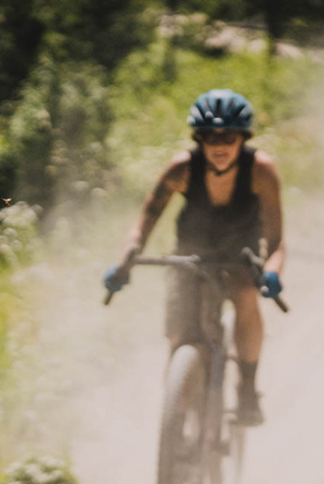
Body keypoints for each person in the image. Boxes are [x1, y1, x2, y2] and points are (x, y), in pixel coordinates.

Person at [104, 88, 285, 426]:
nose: (218, 145)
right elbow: (143, 224)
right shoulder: (181, 169)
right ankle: (179, 425)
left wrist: (272, 272)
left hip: (240, 255)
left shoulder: (262, 171)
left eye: (228, 135)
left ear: (242, 138)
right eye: (208, 136)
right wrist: (125, 259)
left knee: (247, 296)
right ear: (198, 138)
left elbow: (277, 242)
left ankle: (247, 389)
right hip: (190, 254)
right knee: (179, 339)